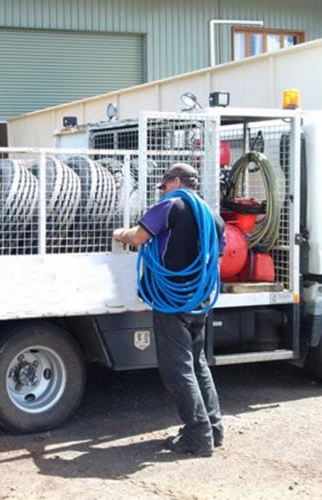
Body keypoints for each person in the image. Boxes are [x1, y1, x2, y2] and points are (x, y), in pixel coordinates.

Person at [112, 163, 225, 457]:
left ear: (174, 181)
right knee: (198, 363)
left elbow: (139, 237)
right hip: (199, 299)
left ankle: (197, 436)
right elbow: (217, 256)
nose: (162, 192)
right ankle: (214, 428)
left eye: (164, 187)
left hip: (171, 300)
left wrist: (119, 233)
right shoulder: (213, 216)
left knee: (179, 367)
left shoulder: (169, 206)